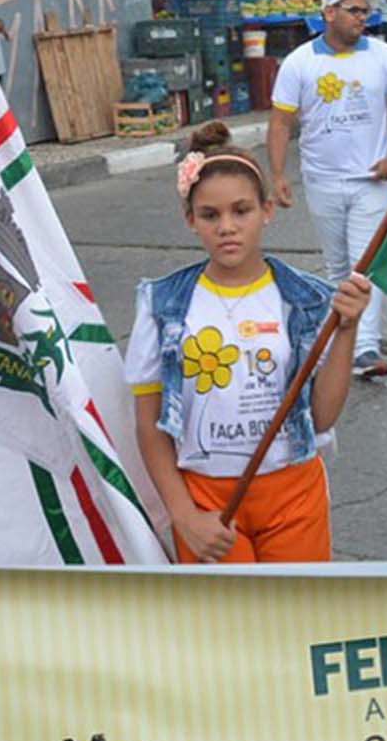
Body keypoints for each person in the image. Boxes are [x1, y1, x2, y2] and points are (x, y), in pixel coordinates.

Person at [128, 126, 373, 564]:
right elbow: (149, 426)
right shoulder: (162, 303)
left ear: (266, 211)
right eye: (210, 215)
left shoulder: (308, 299)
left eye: (241, 211)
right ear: (191, 220)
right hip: (206, 500)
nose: (227, 227)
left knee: (295, 609)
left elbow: (321, 417)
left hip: (293, 494)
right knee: (229, 611)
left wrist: (347, 329)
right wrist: (184, 516)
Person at [267, 0, 387, 380]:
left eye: (365, 11)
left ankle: (365, 347)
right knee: (337, 266)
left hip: (371, 180)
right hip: (322, 180)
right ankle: (339, 340)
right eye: (354, 10)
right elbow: (280, 122)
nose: (362, 17)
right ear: (328, 14)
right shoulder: (299, 62)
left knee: (364, 265)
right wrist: (277, 174)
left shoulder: (383, 55)